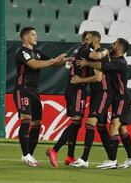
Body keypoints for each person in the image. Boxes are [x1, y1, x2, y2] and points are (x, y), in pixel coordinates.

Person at [46, 31, 102, 167]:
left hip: (74, 89)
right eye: (86, 38)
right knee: (76, 123)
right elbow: (98, 74)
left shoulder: (79, 49)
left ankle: (70, 156)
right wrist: (104, 53)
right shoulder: (87, 51)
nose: (85, 40)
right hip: (77, 88)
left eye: (88, 38)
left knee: (76, 124)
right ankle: (54, 150)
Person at [80, 38, 131, 169]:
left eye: (116, 43)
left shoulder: (121, 62)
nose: (113, 44)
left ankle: (112, 160)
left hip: (122, 99)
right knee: (122, 128)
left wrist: (86, 63)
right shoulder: (113, 58)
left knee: (114, 127)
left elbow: (101, 66)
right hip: (117, 99)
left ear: (121, 48)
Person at [14, 26, 67, 167]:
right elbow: (35, 65)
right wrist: (54, 61)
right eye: (33, 34)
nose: (36, 37)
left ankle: (29, 154)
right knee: (26, 119)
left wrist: (65, 60)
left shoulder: (37, 52)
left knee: (37, 123)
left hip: (34, 91)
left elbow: (54, 63)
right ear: (25, 37)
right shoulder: (22, 52)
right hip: (23, 89)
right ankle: (25, 155)